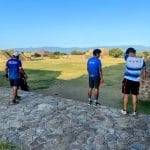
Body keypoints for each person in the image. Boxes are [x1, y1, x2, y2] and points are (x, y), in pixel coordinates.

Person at [121, 47, 147, 115]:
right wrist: (143, 79)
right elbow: (144, 71)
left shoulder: (127, 58)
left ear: (129, 53)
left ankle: (125, 110)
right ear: (135, 52)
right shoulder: (142, 60)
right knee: (134, 96)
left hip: (127, 80)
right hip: (136, 81)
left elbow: (125, 54)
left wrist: (127, 53)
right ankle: (134, 112)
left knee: (126, 95)